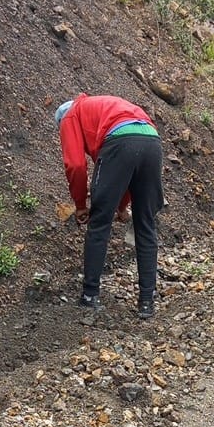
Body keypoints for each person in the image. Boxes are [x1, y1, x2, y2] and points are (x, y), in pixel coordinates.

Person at [55, 93, 164, 319]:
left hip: (120, 142)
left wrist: (80, 205)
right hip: (151, 140)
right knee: (145, 223)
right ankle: (147, 301)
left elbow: (75, 165)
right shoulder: (98, 108)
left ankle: (90, 295)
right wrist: (122, 207)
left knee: (99, 222)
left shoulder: (69, 116)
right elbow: (127, 174)